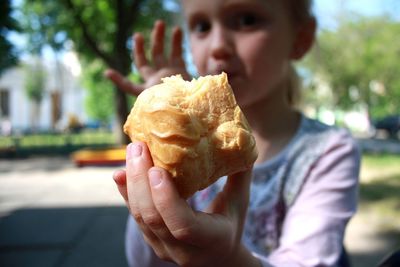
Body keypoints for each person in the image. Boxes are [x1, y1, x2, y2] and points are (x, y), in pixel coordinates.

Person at [107, 0, 360, 266]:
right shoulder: (188, 150)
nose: (217, 45)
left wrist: (230, 260)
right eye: (202, 26)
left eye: (246, 20)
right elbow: (144, 260)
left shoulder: (328, 151)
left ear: (300, 38)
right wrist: (161, 140)